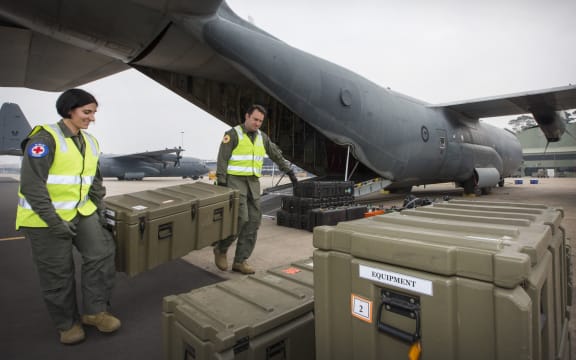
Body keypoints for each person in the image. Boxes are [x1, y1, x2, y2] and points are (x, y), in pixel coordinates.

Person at [15, 88, 120, 345]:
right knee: (58, 274)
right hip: (44, 219)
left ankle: (95, 312)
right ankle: (67, 323)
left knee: (101, 254)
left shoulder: (91, 142)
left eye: (94, 112)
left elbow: (95, 181)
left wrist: (98, 209)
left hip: (81, 212)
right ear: (68, 110)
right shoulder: (44, 139)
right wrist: (54, 221)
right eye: (87, 112)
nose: (92, 118)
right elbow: (32, 186)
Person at [214, 104, 298, 274]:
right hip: (234, 182)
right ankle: (221, 249)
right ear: (247, 116)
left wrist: (289, 171)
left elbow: (276, 155)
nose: (258, 123)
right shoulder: (233, 134)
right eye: (255, 119)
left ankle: (240, 261)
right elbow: (222, 159)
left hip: (253, 183)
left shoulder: (262, 137)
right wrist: (221, 182)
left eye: (260, 121)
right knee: (240, 218)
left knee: (253, 221)